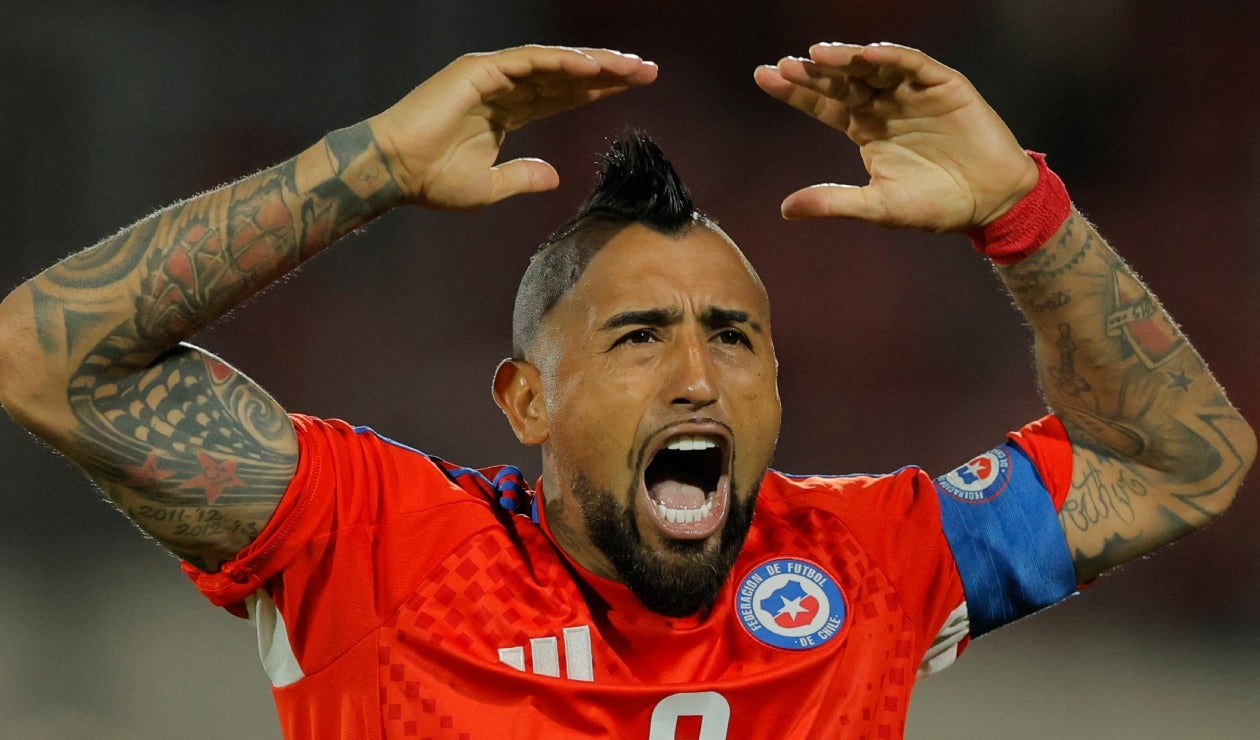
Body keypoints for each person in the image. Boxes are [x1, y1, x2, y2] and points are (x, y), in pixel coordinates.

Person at [0, 41, 1251, 738]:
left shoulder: (868, 562)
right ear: (526, 400)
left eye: (734, 337)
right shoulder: (377, 543)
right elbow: (47, 358)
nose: (699, 374)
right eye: (641, 335)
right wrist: (370, 164)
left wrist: (1023, 216)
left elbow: (1185, 462)